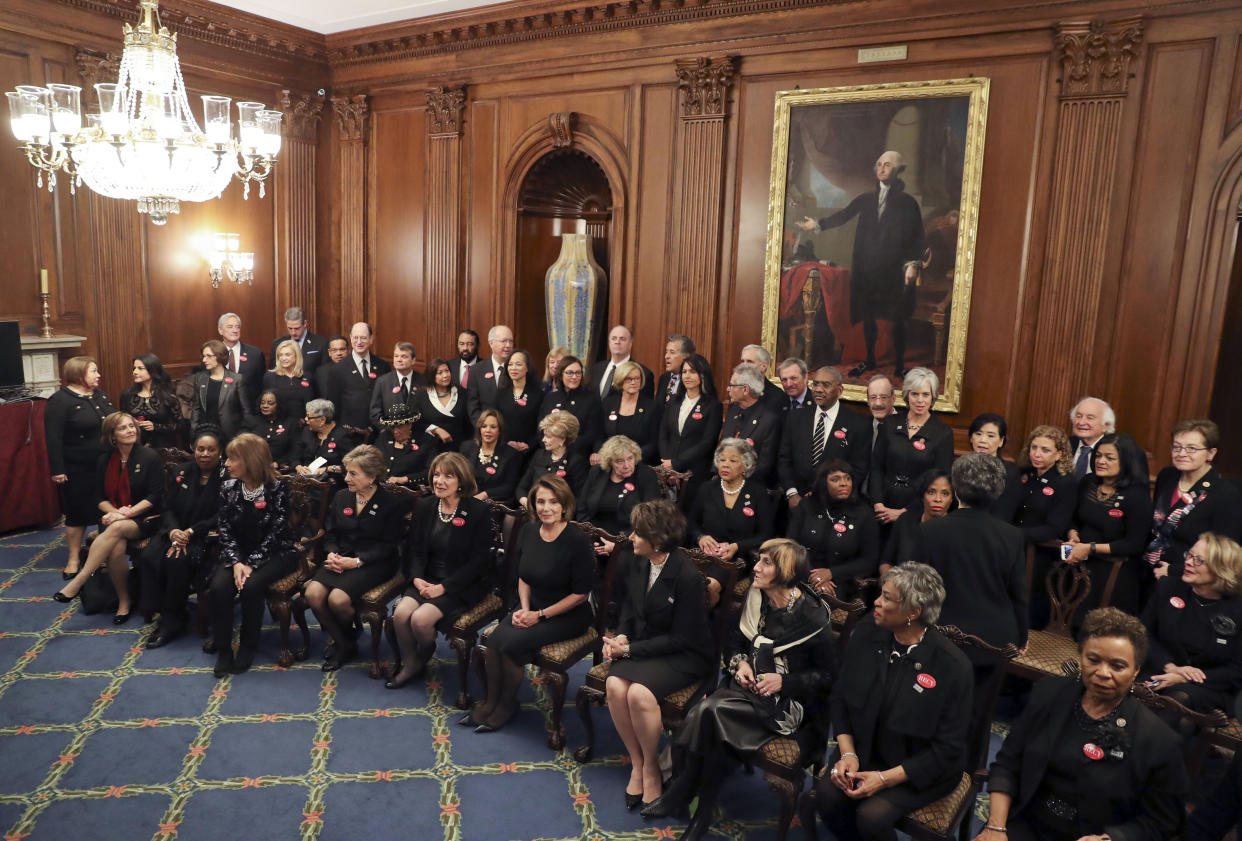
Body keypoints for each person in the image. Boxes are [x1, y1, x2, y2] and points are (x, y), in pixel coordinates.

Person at [641, 539, 835, 841]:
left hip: (787, 705)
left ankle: (685, 797)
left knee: (707, 712)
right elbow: (734, 639)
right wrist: (740, 663)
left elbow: (828, 677)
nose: (755, 567)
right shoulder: (757, 596)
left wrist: (783, 682)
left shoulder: (813, 616)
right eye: (758, 560)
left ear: (786, 572)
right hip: (744, 689)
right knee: (712, 722)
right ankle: (697, 811)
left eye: (766, 563)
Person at [980, 608, 1190, 841]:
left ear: (1135, 671)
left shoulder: (1158, 740)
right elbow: (1008, 763)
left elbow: (1163, 823)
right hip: (1028, 822)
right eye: (1093, 660)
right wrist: (996, 827)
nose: (1103, 673)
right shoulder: (1048, 693)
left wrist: (1109, 839)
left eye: (1117, 666)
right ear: (1081, 657)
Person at [807, 563, 972, 841]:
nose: (876, 602)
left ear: (913, 612)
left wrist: (884, 778)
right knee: (827, 797)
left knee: (871, 817)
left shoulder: (953, 667)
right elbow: (840, 697)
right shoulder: (867, 633)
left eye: (886, 597)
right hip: (864, 749)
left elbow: (947, 749)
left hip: (918, 767)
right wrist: (848, 753)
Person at [601, 500, 713, 809]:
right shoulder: (637, 560)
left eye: (638, 533)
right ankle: (638, 763)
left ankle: (652, 767)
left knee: (638, 694)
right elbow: (628, 607)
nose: (631, 537)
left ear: (659, 539)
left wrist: (629, 649)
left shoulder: (687, 577)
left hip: (685, 655)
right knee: (613, 686)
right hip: (647, 644)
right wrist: (621, 634)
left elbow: (682, 638)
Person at [463, 474, 594, 732]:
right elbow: (524, 574)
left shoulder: (577, 540)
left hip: (568, 614)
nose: (546, 508)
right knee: (495, 639)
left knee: (511, 643)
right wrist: (523, 607)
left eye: (553, 502)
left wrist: (540, 615)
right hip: (531, 604)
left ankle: (507, 705)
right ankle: (490, 701)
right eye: (541, 502)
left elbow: (581, 594)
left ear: (564, 505)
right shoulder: (529, 530)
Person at [796, 150, 924, 378]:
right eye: (879, 164)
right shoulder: (866, 199)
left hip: (894, 271)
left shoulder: (908, 203)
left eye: (887, 165)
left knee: (899, 318)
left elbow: (917, 236)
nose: (882, 168)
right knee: (868, 317)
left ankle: (900, 365)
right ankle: (870, 361)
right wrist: (817, 224)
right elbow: (844, 215)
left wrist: (913, 264)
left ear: (898, 170)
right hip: (867, 270)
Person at [388, 452, 493, 688]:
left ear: (461, 482)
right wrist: (416, 578)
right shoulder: (426, 506)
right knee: (401, 614)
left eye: (448, 476)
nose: (439, 481)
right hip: (426, 578)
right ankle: (413, 662)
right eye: (436, 475)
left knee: (420, 621)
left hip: (460, 584)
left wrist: (444, 587)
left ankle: (426, 649)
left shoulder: (477, 511)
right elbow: (414, 549)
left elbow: (478, 562)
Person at [53, 412, 163, 624]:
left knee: (116, 529)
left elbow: (155, 497)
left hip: (146, 518)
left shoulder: (150, 457)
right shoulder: (105, 460)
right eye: (123, 428)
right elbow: (99, 498)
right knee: (115, 550)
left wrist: (125, 513)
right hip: (115, 519)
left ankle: (80, 580)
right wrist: (114, 512)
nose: (131, 430)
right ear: (112, 435)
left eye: (132, 426)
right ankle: (124, 601)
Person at [304, 445, 407, 671]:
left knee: (338, 600)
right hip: (342, 557)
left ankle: (344, 640)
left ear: (371, 477)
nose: (346, 477)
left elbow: (389, 546)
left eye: (353, 473)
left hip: (375, 563)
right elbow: (331, 533)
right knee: (312, 592)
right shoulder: (342, 497)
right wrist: (331, 552)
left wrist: (358, 562)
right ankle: (346, 642)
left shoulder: (391, 503)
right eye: (347, 472)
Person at [919, 454, 1027, 658]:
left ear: (956, 490)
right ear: (997, 491)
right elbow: (1018, 594)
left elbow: (919, 588)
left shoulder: (930, 529)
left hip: (939, 637)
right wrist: (1022, 638)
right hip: (995, 643)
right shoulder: (1013, 536)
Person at [207, 433, 297, 676]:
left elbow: (277, 532)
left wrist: (251, 564)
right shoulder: (227, 487)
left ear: (251, 460)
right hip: (239, 553)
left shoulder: (277, 488)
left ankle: (248, 646)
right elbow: (224, 528)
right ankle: (224, 648)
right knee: (219, 588)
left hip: (277, 552)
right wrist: (237, 561)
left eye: (232, 459)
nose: (226, 463)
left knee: (251, 587)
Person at [138, 426, 226, 648]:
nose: (204, 454)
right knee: (148, 556)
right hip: (174, 531)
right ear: (193, 449)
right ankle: (163, 608)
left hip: (204, 537)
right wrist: (173, 531)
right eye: (200, 449)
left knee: (175, 561)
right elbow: (167, 508)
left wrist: (191, 532)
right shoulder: (181, 472)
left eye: (211, 450)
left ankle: (171, 620)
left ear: (220, 452)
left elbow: (222, 514)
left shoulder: (228, 477)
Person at [1141, 533, 1242, 716]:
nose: (1188, 562)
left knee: (1177, 700)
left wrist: (1181, 678)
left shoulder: (1237, 609)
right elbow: (1143, 633)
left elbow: (1236, 671)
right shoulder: (1168, 587)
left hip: (1210, 686)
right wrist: (1170, 667)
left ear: (1222, 569)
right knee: (1132, 688)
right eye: (1189, 555)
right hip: (1159, 669)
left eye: (1199, 560)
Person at [1062, 433, 1153, 615]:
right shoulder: (1088, 482)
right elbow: (1072, 518)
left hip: (1114, 572)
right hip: (1079, 565)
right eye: (1098, 456)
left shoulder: (1136, 496)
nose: (1100, 461)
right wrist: (1073, 534)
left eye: (1109, 458)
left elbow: (1134, 544)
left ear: (1126, 461)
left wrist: (1091, 548)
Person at [45, 356, 114, 578]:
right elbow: (53, 438)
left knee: (106, 512)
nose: (99, 375)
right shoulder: (60, 400)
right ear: (78, 374)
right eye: (93, 371)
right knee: (77, 513)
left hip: (106, 466)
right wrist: (57, 469)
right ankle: (74, 558)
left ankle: (104, 555)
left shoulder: (101, 396)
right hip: (76, 469)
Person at [1147, 419, 1242, 581]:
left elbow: (1224, 554)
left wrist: (1174, 571)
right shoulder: (1167, 476)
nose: (1181, 453)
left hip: (1187, 578)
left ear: (1211, 453)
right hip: (1147, 570)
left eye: (1192, 448)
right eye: (1177, 447)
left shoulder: (1226, 494)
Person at [688, 438, 775, 606]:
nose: (725, 464)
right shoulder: (707, 488)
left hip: (736, 559)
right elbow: (691, 523)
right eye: (722, 460)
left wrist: (737, 546)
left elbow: (766, 535)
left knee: (707, 586)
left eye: (733, 460)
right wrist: (700, 537)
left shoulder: (757, 494)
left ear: (746, 465)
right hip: (703, 554)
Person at [870, 367, 953, 524]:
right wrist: (878, 503)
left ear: (933, 397)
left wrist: (905, 513)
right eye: (915, 394)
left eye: (925, 394)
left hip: (917, 513)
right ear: (907, 395)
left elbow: (940, 482)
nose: (920, 400)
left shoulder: (943, 433)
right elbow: (876, 468)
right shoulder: (889, 424)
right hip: (881, 510)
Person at [780, 365, 871, 505]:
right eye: (815, 384)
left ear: (839, 390)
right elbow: (784, 460)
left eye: (826, 385)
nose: (818, 389)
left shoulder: (858, 424)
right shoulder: (796, 418)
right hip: (796, 505)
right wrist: (792, 493)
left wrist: (828, 495)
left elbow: (858, 469)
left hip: (834, 506)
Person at [792, 459, 879, 601]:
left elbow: (869, 560)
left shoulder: (864, 514)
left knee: (821, 599)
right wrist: (813, 576)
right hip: (801, 572)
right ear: (823, 483)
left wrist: (831, 573)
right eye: (835, 479)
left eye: (848, 478)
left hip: (840, 580)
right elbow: (792, 544)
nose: (844, 483)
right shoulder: (807, 505)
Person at [658, 353, 722, 504]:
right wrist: (668, 466)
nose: (687, 376)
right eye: (684, 372)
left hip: (695, 472)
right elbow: (663, 434)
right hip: (667, 471)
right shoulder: (674, 400)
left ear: (703, 375)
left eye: (692, 372)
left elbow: (707, 442)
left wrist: (676, 463)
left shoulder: (713, 405)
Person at [579, 435, 662, 537]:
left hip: (629, 538)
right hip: (594, 535)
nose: (626, 465)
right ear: (610, 462)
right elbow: (582, 507)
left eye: (630, 458)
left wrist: (619, 543)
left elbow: (650, 517)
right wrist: (590, 534)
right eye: (620, 461)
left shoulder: (646, 475)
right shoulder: (597, 472)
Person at [880, 468, 954, 575]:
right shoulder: (905, 520)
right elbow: (886, 562)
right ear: (922, 496)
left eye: (945, 494)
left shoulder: (955, 531)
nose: (938, 499)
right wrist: (891, 581)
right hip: (901, 586)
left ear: (952, 498)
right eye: (931, 492)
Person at [1013, 424, 1078, 544]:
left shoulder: (1065, 483)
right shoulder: (1023, 472)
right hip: (1011, 542)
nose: (1036, 454)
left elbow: (1054, 529)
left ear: (1059, 455)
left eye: (1045, 450)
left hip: (1040, 548)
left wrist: (1012, 534)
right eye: (1034, 447)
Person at [322, 322, 392, 429]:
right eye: (355, 338)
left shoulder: (383, 366)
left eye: (363, 338)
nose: (359, 342)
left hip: (378, 430)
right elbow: (333, 404)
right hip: (350, 432)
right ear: (350, 338)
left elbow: (387, 400)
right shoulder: (337, 369)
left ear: (371, 339)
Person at [722, 363, 781, 486]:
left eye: (732, 385)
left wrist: (736, 479)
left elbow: (764, 465)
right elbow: (721, 447)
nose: (728, 389)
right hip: (723, 481)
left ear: (745, 389)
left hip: (749, 485)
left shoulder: (769, 420)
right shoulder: (732, 410)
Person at [537, 355, 603, 457]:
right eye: (569, 373)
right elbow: (540, 428)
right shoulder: (550, 398)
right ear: (561, 374)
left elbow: (592, 434)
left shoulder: (590, 399)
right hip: (548, 453)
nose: (574, 377)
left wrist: (563, 446)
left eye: (578, 373)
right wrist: (550, 446)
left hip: (577, 455)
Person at [516, 412, 587, 506]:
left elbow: (579, 499)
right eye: (544, 435)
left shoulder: (576, 462)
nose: (543, 440)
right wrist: (526, 502)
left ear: (562, 439)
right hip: (533, 514)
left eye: (548, 436)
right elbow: (521, 488)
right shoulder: (539, 455)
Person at [191, 339, 253, 441]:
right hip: (206, 434)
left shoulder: (237, 379)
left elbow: (246, 412)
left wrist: (240, 436)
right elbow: (196, 409)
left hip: (231, 435)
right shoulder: (200, 378)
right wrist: (194, 434)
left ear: (220, 356)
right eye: (203, 356)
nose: (204, 360)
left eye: (209, 356)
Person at [599, 362, 659, 464]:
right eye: (629, 379)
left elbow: (653, 443)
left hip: (638, 463)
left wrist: (630, 460)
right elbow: (600, 435)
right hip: (610, 461)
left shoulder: (651, 407)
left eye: (637, 378)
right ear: (620, 380)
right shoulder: (609, 403)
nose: (633, 382)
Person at [119, 353, 182, 450]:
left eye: (140, 368)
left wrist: (156, 427)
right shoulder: (127, 395)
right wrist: (132, 423)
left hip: (162, 448)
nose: (135, 372)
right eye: (134, 368)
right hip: (134, 446)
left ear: (152, 370)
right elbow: (121, 420)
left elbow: (180, 426)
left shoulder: (168, 396)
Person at [970, 413, 1022, 521]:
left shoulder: (1010, 472)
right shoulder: (960, 466)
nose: (982, 440)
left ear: (1001, 441)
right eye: (978, 434)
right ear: (971, 438)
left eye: (990, 436)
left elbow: (1005, 513)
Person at [461, 409, 521, 503]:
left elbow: (509, 487)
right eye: (484, 426)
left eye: (493, 427)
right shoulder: (466, 448)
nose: (488, 430)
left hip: (494, 504)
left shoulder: (511, 454)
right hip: (466, 499)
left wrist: (484, 495)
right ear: (479, 429)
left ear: (500, 430)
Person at [412, 357, 471, 451]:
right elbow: (416, 423)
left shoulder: (462, 393)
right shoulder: (421, 396)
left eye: (447, 371)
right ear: (432, 376)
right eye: (440, 373)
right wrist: (436, 430)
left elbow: (468, 424)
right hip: (430, 449)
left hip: (458, 448)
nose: (445, 375)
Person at [495, 349, 543, 456]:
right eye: (510, 364)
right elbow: (495, 423)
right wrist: (505, 442)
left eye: (518, 364)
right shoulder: (501, 394)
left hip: (530, 452)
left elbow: (542, 425)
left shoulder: (538, 395)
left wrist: (530, 445)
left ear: (527, 368)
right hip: (504, 450)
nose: (513, 368)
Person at [215, 312, 266, 412]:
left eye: (237, 327)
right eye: (230, 327)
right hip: (220, 411)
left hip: (249, 411)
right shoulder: (212, 354)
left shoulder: (255, 354)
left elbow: (262, 385)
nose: (235, 330)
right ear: (220, 330)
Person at [374, 402, 435, 485]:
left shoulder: (425, 440)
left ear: (410, 424)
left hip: (409, 491)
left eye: (399, 426)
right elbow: (372, 461)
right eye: (392, 427)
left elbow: (431, 470)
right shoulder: (384, 437)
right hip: (381, 487)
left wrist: (405, 479)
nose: (395, 431)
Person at [591, 325, 655, 399]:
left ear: (630, 344)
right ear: (609, 343)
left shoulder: (643, 373)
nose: (617, 342)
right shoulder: (597, 368)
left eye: (622, 339)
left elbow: (646, 404)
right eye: (614, 338)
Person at [369, 341, 422, 430]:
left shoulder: (422, 381)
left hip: (417, 435)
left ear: (413, 360)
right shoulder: (382, 381)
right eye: (396, 356)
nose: (398, 359)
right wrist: (390, 432)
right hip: (390, 435)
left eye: (403, 356)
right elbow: (375, 413)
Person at [466, 324, 515, 421]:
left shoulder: (518, 369)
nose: (508, 345)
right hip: (485, 431)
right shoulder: (476, 370)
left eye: (511, 341)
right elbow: (472, 407)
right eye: (504, 341)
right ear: (491, 343)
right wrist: (485, 427)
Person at [262, 339, 316, 424]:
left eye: (287, 355)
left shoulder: (307, 376)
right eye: (280, 355)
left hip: (303, 425)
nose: (283, 358)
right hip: (278, 425)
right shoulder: (270, 377)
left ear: (296, 356)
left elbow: (312, 403)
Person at [294, 398, 353, 476]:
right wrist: (298, 467)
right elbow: (294, 456)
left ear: (322, 420)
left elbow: (350, 465)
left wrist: (327, 469)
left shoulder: (341, 436)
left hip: (330, 481)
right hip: (306, 478)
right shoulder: (306, 431)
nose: (305, 419)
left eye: (309, 417)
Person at [245, 390, 297, 470]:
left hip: (279, 468)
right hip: (252, 467)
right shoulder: (251, 421)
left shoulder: (290, 423)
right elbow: (241, 446)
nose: (265, 406)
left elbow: (295, 450)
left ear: (279, 405)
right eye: (262, 403)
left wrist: (279, 463)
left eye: (270, 403)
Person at [269, 306, 327, 376]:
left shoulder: (321, 343)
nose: (293, 332)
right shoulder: (277, 343)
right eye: (290, 328)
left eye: (297, 328)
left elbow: (324, 373)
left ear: (305, 323)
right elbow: (273, 371)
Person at [739, 344, 787, 414]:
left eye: (749, 362)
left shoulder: (778, 397)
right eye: (742, 361)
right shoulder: (737, 392)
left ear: (764, 366)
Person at [655, 334, 695, 411]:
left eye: (672, 352)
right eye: (666, 352)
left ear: (686, 356)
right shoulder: (664, 378)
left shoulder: (692, 380)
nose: (666, 356)